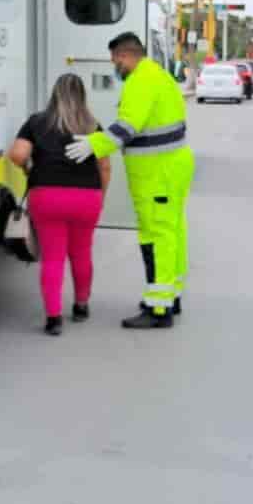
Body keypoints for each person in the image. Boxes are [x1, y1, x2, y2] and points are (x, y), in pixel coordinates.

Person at [65, 32, 195, 330]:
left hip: (156, 172)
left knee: (156, 235)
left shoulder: (140, 80)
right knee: (172, 230)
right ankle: (169, 296)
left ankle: (158, 309)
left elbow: (127, 127)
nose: (114, 66)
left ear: (124, 56)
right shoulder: (158, 75)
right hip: (170, 167)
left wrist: (93, 145)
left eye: (114, 60)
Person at [8, 74, 111, 336]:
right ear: (82, 96)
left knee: (52, 258)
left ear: (54, 94)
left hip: (47, 197)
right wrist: (101, 196)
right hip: (86, 198)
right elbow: (105, 166)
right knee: (81, 253)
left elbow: (17, 154)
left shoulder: (37, 122)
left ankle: (53, 319)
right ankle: (80, 305)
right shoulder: (92, 125)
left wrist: (27, 167)